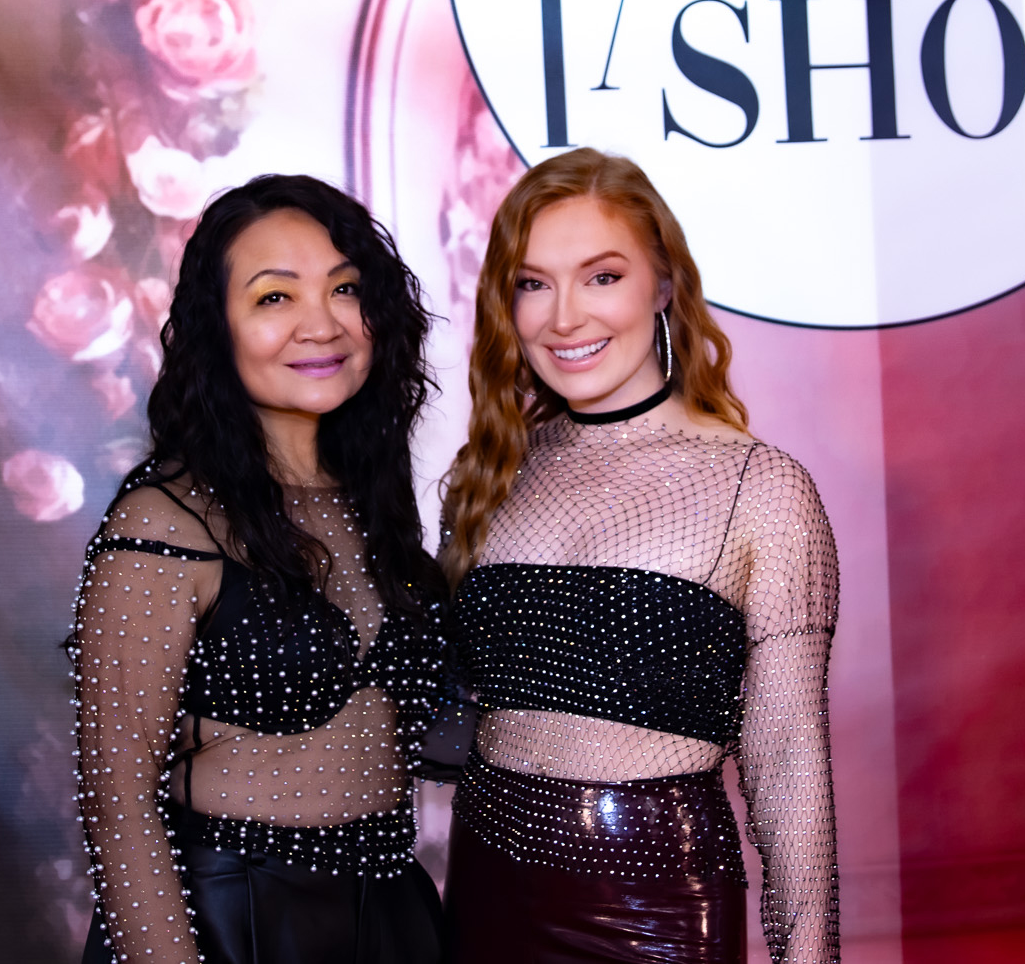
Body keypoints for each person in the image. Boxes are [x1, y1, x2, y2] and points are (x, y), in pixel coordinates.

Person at [440, 148, 840, 964]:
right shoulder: (489, 474)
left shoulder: (760, 488)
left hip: (654, 910)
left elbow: (787, 760)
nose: (564, 317)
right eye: (532, 282)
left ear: (663, 285)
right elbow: (450, 714)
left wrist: (808, 956)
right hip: (482, 895)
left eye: (602, 276)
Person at [72, 175, 455, 964]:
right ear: (219, 328)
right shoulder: (163, 522)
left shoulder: (375, 509)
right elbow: (118, 805)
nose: (322, 323)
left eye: (345, 288)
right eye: (275, 297)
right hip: (232, 924)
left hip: (397, 920)